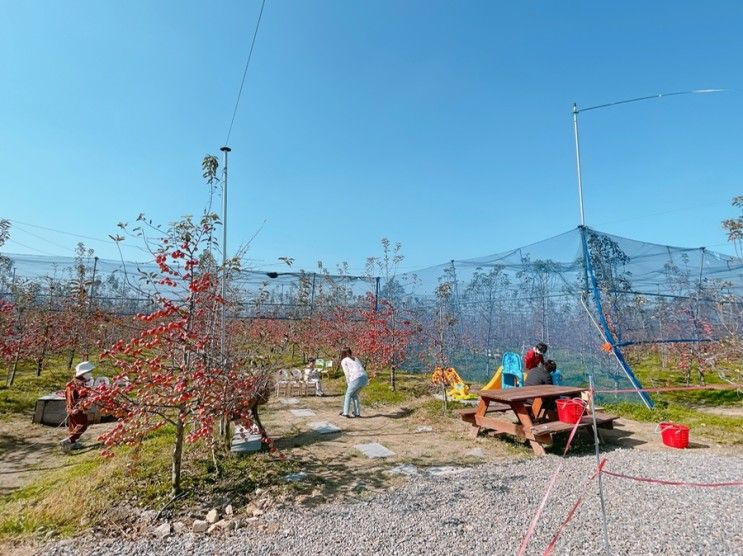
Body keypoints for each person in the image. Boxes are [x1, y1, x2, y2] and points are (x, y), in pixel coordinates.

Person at [60, 361, 94, 453]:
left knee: (74, 426)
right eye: (89, 372)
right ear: (83, 373)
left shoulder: (73, 383)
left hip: (71, 409)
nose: (90, 374)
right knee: (82, 425)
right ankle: (69, 441)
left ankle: (73, 443)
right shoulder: (77, 385)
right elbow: (77, 398)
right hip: (77, 409)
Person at [339, 348, 368, 418]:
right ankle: (357, 413)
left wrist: (348, 382)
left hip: (356, 378)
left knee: (348, 395)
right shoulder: (356, 358)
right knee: (354, 395)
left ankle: (345, 413)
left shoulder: (344, 360)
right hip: (364, 378)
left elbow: (347, 373)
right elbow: (360, 367)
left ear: (342, 354)